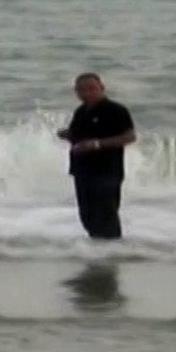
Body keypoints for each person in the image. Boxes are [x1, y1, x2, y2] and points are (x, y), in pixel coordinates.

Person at [56, 73, 136, 239]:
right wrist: (67, 134)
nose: (87, 93)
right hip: (82, 171)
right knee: (88, 216)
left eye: (91, 89)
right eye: (82, 90)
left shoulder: (116, 110)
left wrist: (97, 144)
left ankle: (112, 252)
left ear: (101, 88)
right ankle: (98, 255)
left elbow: (129, 137)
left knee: (106, 215)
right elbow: (78, 136)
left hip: (106, 171)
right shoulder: (81, 112)